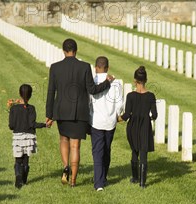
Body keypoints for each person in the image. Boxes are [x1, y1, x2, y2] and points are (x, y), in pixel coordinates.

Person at [45, 38, 115, 187]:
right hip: (79, 113)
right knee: (75, 146)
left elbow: (51, 92)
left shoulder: (55, 67)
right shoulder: (84, 67)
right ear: (76, 51)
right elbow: (92, 90)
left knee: (63, 140)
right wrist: (107, 82)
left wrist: (49, 114)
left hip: (61, 111)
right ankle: (73, 181)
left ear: (63, 51)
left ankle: (65, 166)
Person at [89, 56, 124, 191]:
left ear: (95, 67)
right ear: (107, 67)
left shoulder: (92, 82)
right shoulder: (115, 83)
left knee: (97, 151)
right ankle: (103, 178)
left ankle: (99, 183)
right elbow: (120, 103)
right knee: (107, 149)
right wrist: (115, 114)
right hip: (110, 121)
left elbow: (89, 101)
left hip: (96, 121)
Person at [120, 66, 158, 189]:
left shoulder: (130, 96)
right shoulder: (151, 96)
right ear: (146, 80)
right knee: (143, 153)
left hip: (132, 126)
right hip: (145, 126)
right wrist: (148, 118)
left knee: (134, 151)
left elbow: (126, 115)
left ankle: (135, 177)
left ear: (134, 80)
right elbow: (155, 115)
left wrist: (116, 119)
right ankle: (142, 183)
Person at [9, 84, 46, 189]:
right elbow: (32, 124)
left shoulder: (14, 109)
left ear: (19, 94)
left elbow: (11, 126)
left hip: (18, 137)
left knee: (18, 160)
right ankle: (24, 180)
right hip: (29, 137)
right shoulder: (32, 108)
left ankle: (18, 176)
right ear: (30, 95)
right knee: (26, 159)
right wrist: (44, 124)